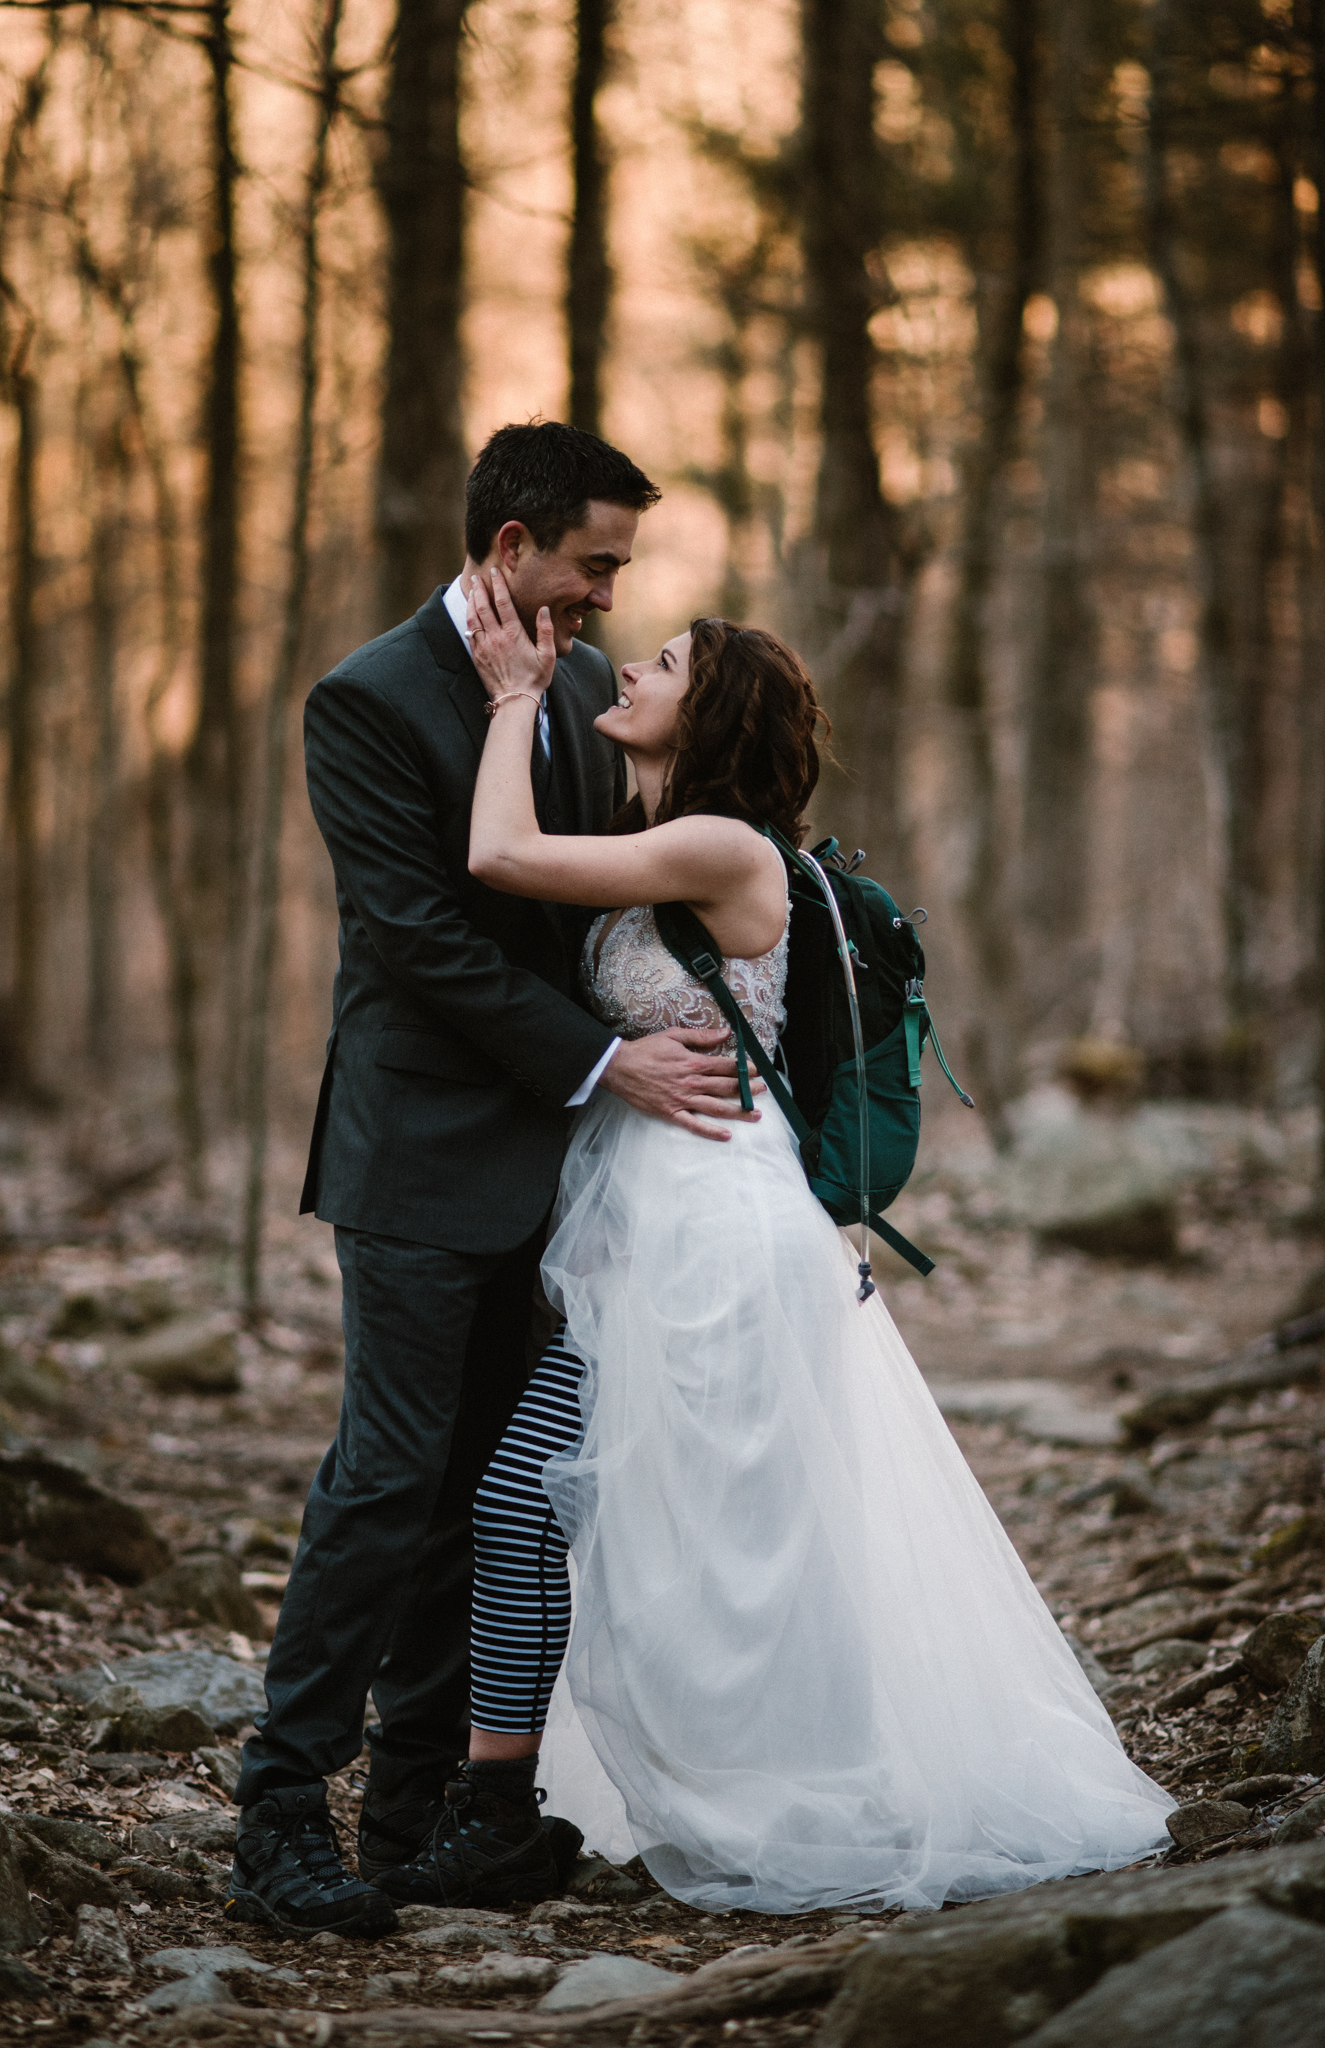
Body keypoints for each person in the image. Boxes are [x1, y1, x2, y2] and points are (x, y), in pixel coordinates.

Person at [389, 581, 1177, 1914]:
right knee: (632, 1523)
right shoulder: (667, 838)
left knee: (629, 1521)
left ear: (719, 714)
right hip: (653, 1231)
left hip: (715, 1242)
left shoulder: (723, 849)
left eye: (665, 661)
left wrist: (519, 699)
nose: (630, 669)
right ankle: (513, 1806)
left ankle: (550, 1807)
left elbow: (504, 859)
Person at [226, 424, 765, 1938]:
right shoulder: (370, 697)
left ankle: (414, 1822)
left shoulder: (590, 690)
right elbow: (421, 938)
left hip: (571, 1178)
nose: (608, 593)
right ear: (514, 545)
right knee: (387, 1481)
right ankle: (279, 1812)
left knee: (493, 1495)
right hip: (417, 1151)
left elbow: (621, 893)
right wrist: (607, 1065)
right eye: (596, 562)